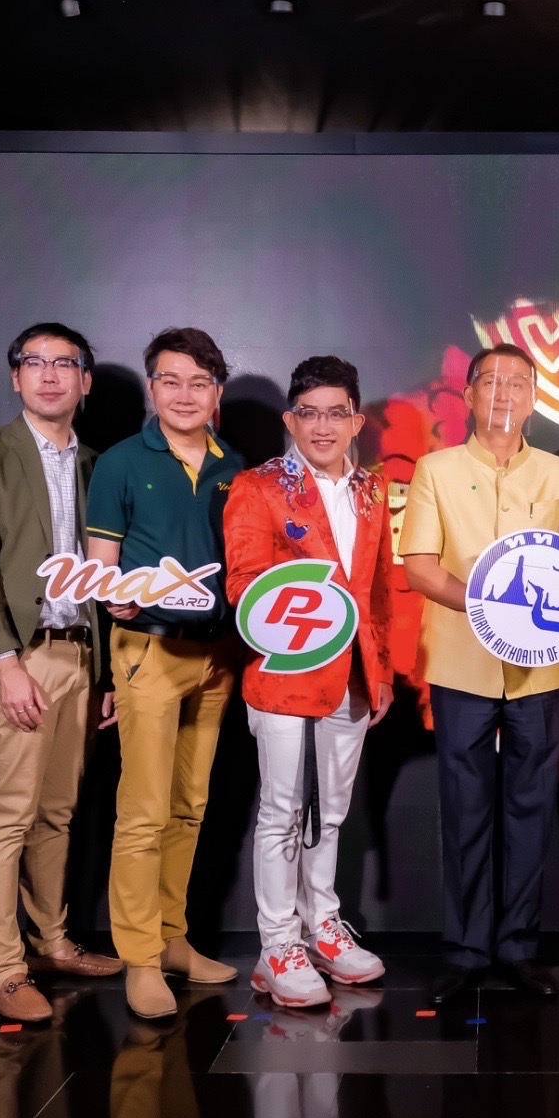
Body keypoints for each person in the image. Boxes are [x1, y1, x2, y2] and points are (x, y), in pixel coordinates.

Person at [0, 322, 126, 1025]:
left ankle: (52, 941)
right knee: (7, 815)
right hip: (18, 657)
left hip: (79, 651)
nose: (50, 374)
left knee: (57, 811)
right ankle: (1, 969)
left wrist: (105, 671)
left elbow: (106, 575)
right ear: (16, 376)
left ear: (85, 380)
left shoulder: (97, 465)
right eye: (35, 362)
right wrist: (5, 663)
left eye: (65, 363)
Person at [398, 344, 559, 1002]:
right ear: (469, 394)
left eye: (518, 383)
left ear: (534, 397)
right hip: (461, 663)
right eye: (491, 381)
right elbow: (420, 567)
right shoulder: (436, 470)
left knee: (531, 808)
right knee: (465, 808)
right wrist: (488, 607)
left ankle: (518, 947)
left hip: (541, 670)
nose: (504, 392)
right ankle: (465, 949)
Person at [222, 356, 395, 1008]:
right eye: (309, 413)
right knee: (283, 808)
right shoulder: (259, 486)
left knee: (333, 810)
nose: (323, 426)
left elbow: (379, 589)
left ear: (356, 421)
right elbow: (243, 586)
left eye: (336, 413)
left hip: (354, 676)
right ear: (290, 420)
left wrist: (381, 670)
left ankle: (322, 926)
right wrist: (299, 622)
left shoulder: (373, 490)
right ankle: (277, 944)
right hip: (284, 673)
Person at [85, 327, 244, 1020]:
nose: (185, 394)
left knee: (190, 804)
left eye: (199, 382)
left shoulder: (236, 465)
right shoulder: (121, 461)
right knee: (143, 811)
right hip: (148, 650)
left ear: (217, 392)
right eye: (171, 380)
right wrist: (112, 593)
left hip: (217, 654)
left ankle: (174, 938)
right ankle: (140, 958)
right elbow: (100, 566)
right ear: (152, 388)